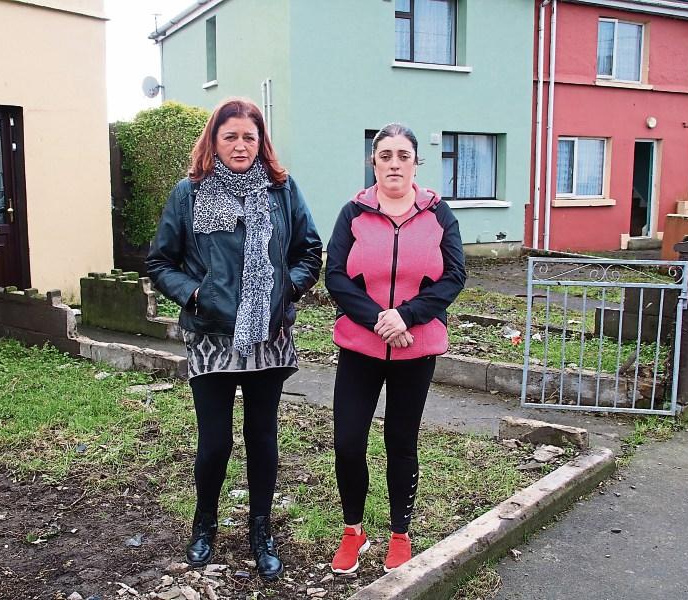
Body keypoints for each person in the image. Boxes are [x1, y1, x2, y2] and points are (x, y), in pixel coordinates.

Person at [146, 98, 322, 580]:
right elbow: (159, 261)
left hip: (268, 335)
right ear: (214, 141)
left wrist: (286, 287)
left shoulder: (282, 191)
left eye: (250, 136)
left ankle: (260, 530)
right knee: (215, 443)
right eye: (231, 137)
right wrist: (196, 295)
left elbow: (310, 250)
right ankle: (204, 525)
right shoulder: (189, 193)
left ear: (261, 141)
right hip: (211, 336)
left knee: (263, 438)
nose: (241, 145)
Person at [325, 123, 466, 574]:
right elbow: (336, 277)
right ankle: (354, 531)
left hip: (415, 347)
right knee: (348, 442)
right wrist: (380, 320)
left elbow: (454, 276)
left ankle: (400, 535)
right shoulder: (353, 213)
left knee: (400, 443)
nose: (393, 163)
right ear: (373, 162)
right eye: (384, 155)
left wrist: (406, 315)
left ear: (415, 163)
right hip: (360, 348)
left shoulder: (438, 214)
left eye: (402, 155)